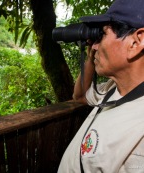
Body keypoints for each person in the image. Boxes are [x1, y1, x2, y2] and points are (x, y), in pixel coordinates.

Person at [58, 0, 144, 172]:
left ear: (136, 42)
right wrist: (92, 56)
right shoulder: (113, 88)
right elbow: (80, 96)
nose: (94, 44)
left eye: (102, 34)